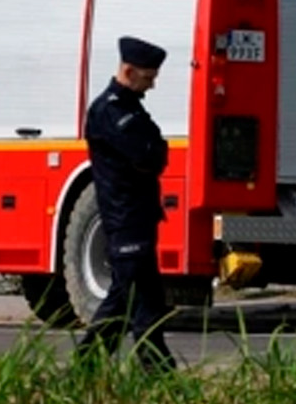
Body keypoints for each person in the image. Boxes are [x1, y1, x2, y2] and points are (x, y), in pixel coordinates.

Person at [74, 36, 176, 371]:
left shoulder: (130, 107)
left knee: (149, 302)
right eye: (148, 77)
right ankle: (86, 364)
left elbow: (158, 151)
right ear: (129, 71)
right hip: (125, 215)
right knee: (125, 296)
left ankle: (157, 370)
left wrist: (154, 152)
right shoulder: (110, 110)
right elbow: (148, 153)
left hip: (139, 215)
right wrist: (153, 152)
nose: (153, 85)